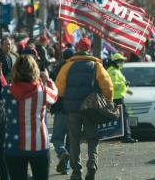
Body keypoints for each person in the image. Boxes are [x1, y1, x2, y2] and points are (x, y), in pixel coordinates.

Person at [55, 37, 113, 180]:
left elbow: (59, 88)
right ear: (88, 49)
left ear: (77, 48)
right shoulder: (96, 66)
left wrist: (63, 100)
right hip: (91, 109)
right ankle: (92, 164)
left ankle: (76, 172)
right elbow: (108, 86)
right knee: (92, 138)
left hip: (72, 109)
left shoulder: (67, 66)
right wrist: (108, 101)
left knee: (74, 141)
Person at [1, 55, 58, 180]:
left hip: (13, 146)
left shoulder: (6, 92)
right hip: (39, 145)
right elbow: (55, 96)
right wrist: (47, 80)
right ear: (34, 70)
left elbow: (5, 86)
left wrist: (0, 75)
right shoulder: (43, 92)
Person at [50, 48, 75, 175]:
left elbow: (51, 87)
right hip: (74, 110)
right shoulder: (77, 69)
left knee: (57, 138)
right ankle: (66, 167)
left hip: (60, 109)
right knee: (71, 139)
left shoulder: (56, 70)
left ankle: (62, 153)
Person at [107, 53, 136, 143]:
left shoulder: (116, 70)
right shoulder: (113, 71)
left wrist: (127, 90)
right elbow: (114, 85)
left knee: (120, 117)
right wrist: (125, 84)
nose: (122, 62)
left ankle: (122, 136)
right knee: (124, 117)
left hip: (117, 97)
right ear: (115, 62)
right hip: (116, 97)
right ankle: (126, 136)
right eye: (120, 61)